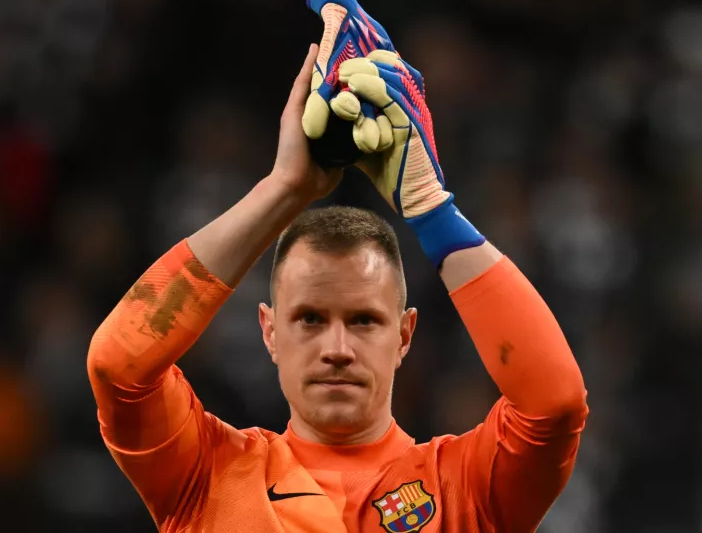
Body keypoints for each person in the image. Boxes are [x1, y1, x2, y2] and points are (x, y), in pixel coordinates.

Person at [87, 43, 589, 532]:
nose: (338, 350)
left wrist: (431, 207)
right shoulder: (204, 473)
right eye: (310, 318)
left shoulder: (467, 488)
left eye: (364, 320)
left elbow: (555, 403)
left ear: (405, 335)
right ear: (269, 331)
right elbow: (119, 366)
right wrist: (284, 189)